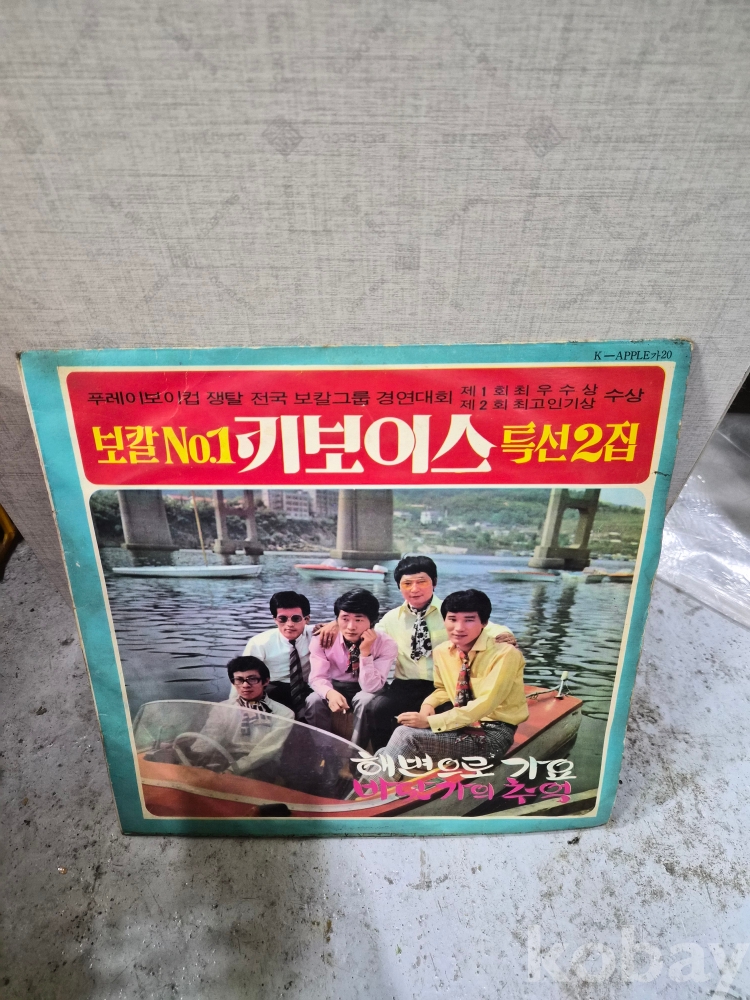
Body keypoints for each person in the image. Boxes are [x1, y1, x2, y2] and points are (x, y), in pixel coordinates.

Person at [320, 555, 518, 750]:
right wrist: (335, 624)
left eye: (422, 582)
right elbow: (363, 629)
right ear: (399, 587)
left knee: (449, 713)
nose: (414, 589)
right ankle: (385, 756)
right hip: (405, 684)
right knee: (377, 708)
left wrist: (505, 634)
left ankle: (437, 758)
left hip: (444, 684)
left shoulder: (450, 612)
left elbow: (487, 626)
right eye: (407, 584)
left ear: (434, 582)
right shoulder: (391, 618)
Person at [375, 589, 528, 766]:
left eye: (469, 620)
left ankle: (376, 784)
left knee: (405, 736)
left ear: (484, 622)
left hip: (493, 734)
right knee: (382, 752)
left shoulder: (505, 653)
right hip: (459, 726)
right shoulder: (442, 651)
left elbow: (486, 703)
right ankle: (373, 783)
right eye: (452, 619)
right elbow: (443, 689)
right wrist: (428, 704)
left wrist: (430, 721)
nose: (459, 628)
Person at [304, 588, 397, 747]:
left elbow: (371, 687)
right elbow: (317, 677)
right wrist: (330, 693)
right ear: (336, 619)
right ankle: (323, 751)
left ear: (372, 621)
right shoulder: (323, 638)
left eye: (359, 620)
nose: (351, 626)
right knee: (313, 700)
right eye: (345, 619)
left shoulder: (386, 643)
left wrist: (365, 652)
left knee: (364, 699)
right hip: (336, 685)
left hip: (369, 688)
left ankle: (356, 752)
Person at [192, 656, 294, 775]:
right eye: (239, 680)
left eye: (252, 679)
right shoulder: (222, 707)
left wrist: (233, 770)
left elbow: (267, 750)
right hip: (226, 756)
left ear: (266, 681)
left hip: (262, 763)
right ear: (233, 682)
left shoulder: (284, 713)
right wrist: (195, 757)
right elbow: (209, 736)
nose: (245, 685)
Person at [238, 590, 314, 717]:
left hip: (306, 687)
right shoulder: (259, 642)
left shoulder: (317, 634)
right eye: (282, 619)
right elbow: (242, 676)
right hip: (273, 689)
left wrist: (333, 626)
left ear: (306, 619)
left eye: (296, 619)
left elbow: (342, 625)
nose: (289, 624)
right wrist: (235, 708)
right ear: (275, 620)